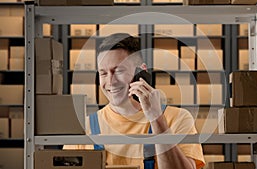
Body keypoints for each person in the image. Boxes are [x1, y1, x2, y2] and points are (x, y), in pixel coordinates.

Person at [64, 33, 205, 169]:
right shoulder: (84, 129)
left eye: (118, 71)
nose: (110, 82)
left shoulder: (177, 118)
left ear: (141, 71)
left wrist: (157, 120)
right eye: (103, 73)